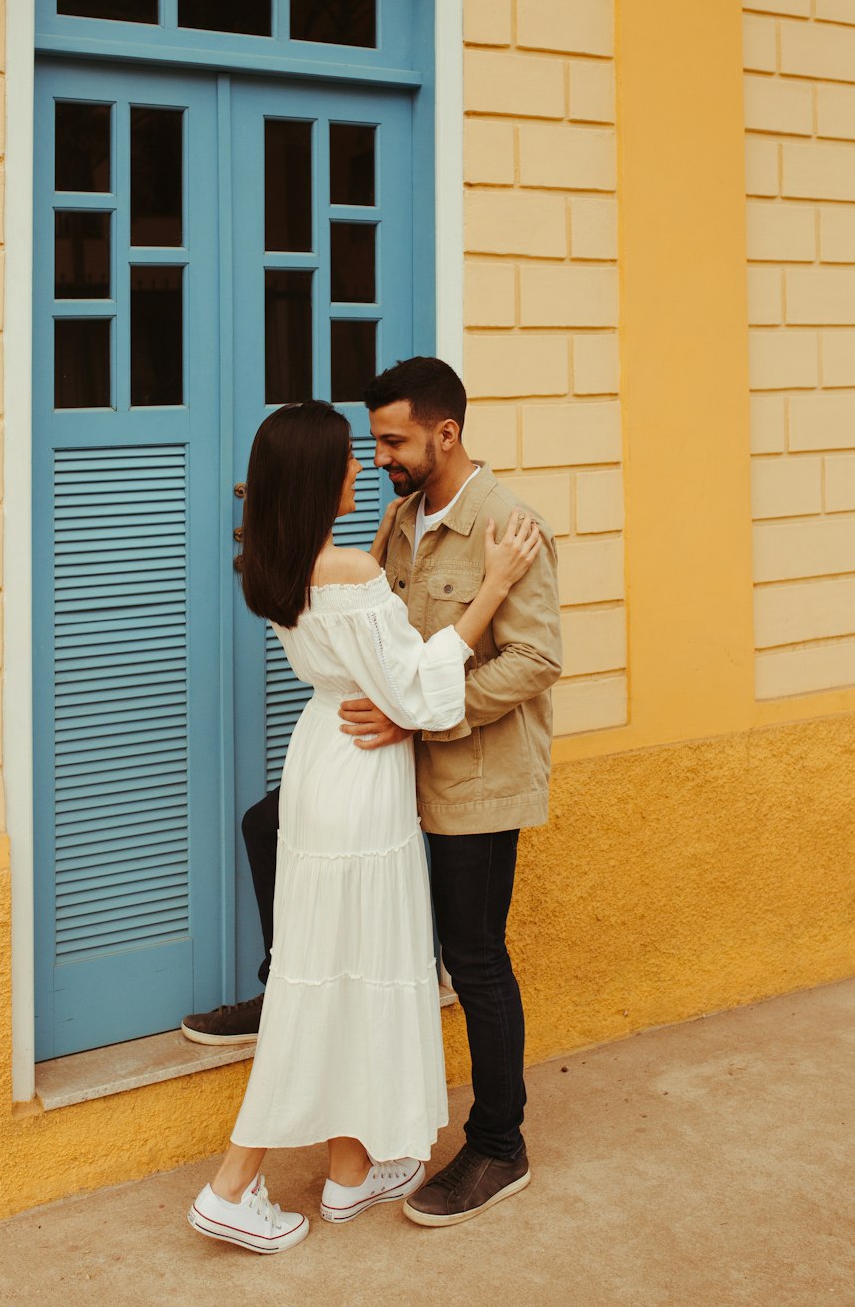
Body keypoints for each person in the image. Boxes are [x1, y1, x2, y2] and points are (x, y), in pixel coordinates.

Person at [185, 356, 562, 1228]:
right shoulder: (390, 526)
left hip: (464, 771)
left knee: (471, 958)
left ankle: (498, 1144)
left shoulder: (511, 527)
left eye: (392, 440)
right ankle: (295, 989)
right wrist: (401, 711)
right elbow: (382, 656)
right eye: (370, 444)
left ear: (446, 433)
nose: (379, 456)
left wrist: (417, 718)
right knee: (278, 841)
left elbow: (536, 660)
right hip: (379, 769)